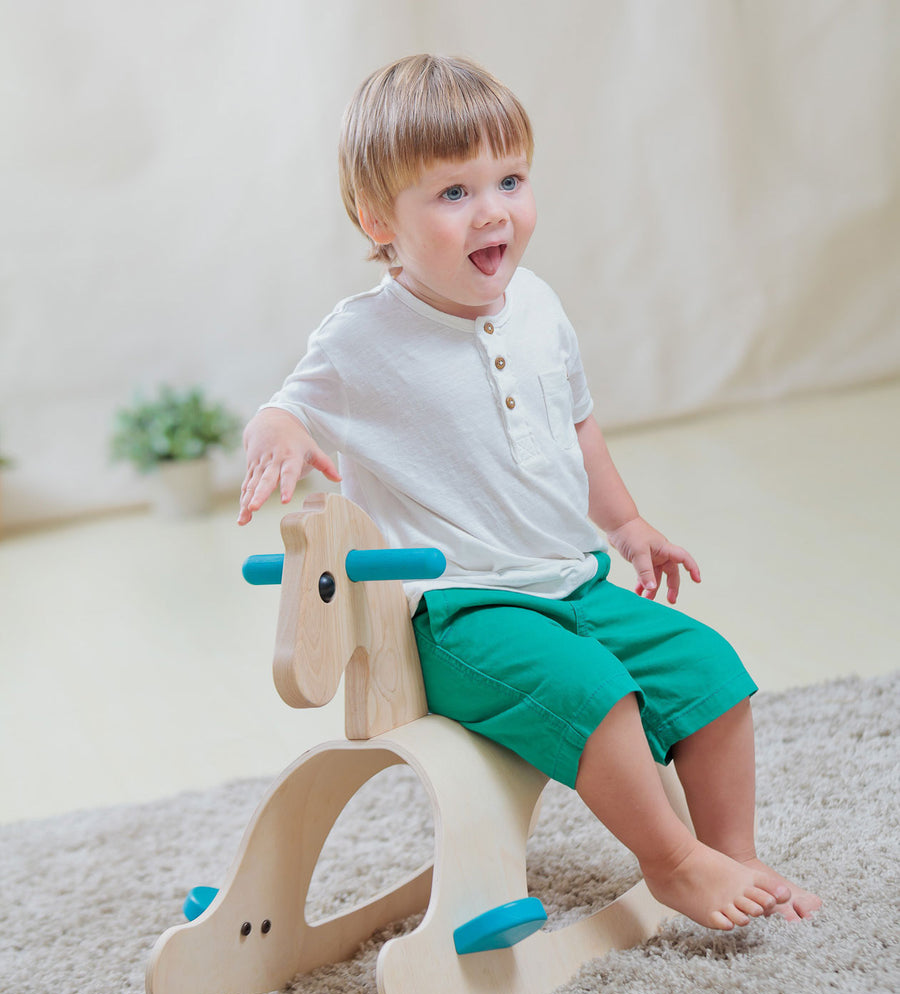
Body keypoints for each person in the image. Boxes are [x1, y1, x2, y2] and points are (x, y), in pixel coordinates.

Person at [239, 54, 820, 930]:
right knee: (598, 691)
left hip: (573, 579)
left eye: (509, 179)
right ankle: (670, 863)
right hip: (463, 611)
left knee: (711, 673)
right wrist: (280, 432)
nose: (494, 209)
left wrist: (625, 523)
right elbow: (283, 407)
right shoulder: (362, 337)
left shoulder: (538, 303)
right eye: (453, 193)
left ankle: (730, 854)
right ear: (377, 220)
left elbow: (577, 425)